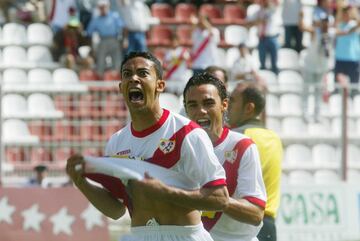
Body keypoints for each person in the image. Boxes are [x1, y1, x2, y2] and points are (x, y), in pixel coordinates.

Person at [66, 51, 229, 241]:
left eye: (143, 73)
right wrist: (81, 183)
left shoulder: (188, 133)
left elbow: (220, 198)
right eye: (127, 74)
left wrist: (166, 192)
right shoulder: (117, 142)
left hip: (184, 236)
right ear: (121, 87)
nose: (134, 78)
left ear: (160, 85)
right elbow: (116, 210)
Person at [183, 72, 266, 241]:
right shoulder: (180, 148)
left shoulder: (242, 146)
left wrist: (217, 200)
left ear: (224, 104)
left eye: (208, 103)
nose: (201, 111)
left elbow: (256, 213)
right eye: (193, 105)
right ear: (185, 109)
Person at [227, 82, 283, 241]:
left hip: (242, 223)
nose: (227, 105)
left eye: (233, 100)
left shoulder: (237, 138)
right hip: (269, 225)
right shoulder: (275, 138)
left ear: (249, 108)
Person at [86, 0, 125, 77]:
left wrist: (123, 40)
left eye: (104, 7)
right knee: (100, 62)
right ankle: (100, 78)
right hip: (103, 40)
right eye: (101, 7)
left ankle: (117, 79)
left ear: (108, 6)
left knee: (117, 61)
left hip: (114, 40)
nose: (103, 9)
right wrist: (92, 46)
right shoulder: (96, 19)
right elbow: (89, 32)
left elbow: (122, 27)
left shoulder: (114, 16)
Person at [241, 0, 281, 75]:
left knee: (274, 63)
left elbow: (275, 4)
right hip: (262, 39)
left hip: (273, 38)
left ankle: (275, 77)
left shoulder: (273, 9)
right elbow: (248, 23)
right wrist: (259, 21)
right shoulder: (257, 12)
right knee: (262, 63)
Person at [334, 5, 360, 96]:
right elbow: (338, 33)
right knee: (338, 90)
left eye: (348, 12)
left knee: (354, 90)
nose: (346, 14)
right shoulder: (339, 25)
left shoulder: (355, 24)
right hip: (340, 59)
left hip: (353, 60)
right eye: (344, 12)